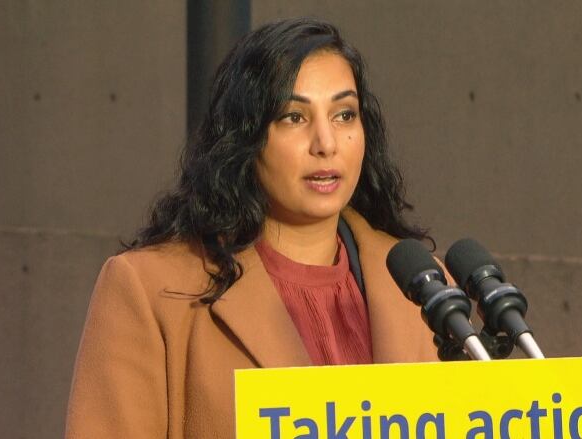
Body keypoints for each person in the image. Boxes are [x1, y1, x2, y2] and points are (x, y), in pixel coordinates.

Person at [65, 17, 438, 438]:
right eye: (293, 117)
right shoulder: (149, 289)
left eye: (344, 114)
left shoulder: (426, 287)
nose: (326, 143)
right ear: (244, 138)